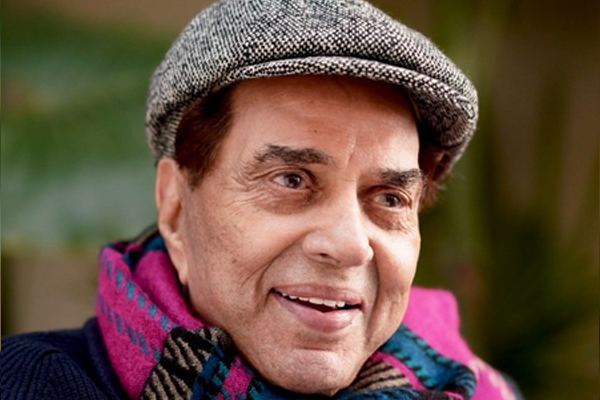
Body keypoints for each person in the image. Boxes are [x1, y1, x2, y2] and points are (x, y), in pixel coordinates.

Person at [1, 0, 523, 399]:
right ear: (175, 209)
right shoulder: (29, 386)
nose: (349, 246)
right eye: (291, 180)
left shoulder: (474, 386)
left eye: (389, 197)